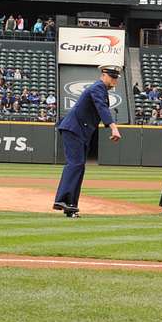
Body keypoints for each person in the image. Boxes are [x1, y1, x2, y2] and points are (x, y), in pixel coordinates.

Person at [53, 65, 123, 217]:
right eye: (112, 76)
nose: (115, 80)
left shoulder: (102, 90)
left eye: (116, 77)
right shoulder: (97, 88)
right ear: (103, 75)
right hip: (74, 129)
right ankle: (62, 199)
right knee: (75, 163)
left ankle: (71, 205)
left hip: (81, 131)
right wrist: (113, 127)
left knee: (79, 166)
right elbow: (102, 108)